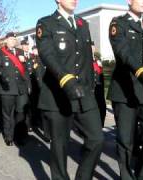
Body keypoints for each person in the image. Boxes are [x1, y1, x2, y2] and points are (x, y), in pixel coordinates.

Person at [36, 0, 104, 179]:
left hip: (84, 93)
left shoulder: (83, 24)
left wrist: (91, 84)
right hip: (58, 94)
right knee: (60, 146)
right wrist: (66, 79)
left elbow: (87, 58)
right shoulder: (46, 23)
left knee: (97, 139)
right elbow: (48, 55)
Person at [108, 0, 143, 179]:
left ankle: (142, 175)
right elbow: (124, 53)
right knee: (126, 141)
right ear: (129, 1)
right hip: (125, 92)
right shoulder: (118, 23)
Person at [0, 32, 30, 146]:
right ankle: (9, 136)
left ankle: (19, 136)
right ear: (6, 40)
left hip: (21, 88)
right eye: (11, 39)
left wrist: (28, 85)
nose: (13, 41)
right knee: (8, 114)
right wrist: (2, 77)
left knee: (21, 112)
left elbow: (26, 71)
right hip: (7, 88)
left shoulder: (21, 52)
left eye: (15, 39)